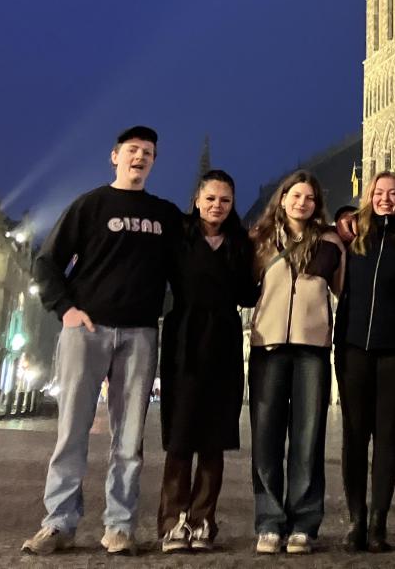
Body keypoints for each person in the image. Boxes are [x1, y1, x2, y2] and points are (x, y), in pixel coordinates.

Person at [22, 126, 181, 556]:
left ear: (153, 161)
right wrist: (66, 310)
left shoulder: (164, 214)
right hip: (87, 330)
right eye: (132, 150)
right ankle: (58, 522)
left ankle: (120, 526)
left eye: (148, 152)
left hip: (141, 334)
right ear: (115, 156)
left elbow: (193, 259)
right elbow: (47, 262)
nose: (140, 157)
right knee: (72, 431)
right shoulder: (90, 205)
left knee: (129, 438)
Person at [157, 170, 257, 553]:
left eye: (225, 200)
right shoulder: (179, 238)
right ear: (197, 200)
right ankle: (172, 522)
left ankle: (202, 520)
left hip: (225, 339)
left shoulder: (239, 243)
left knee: (214, 437)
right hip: (184, 336)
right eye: (211, 198)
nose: (217, 206)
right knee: (181, 435)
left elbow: (248, 295)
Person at [247, 170, 346, 555]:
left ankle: (304, 523)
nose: (301, 202)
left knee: (308, 438)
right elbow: (243, 287)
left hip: (313, 349)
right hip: (267, 347)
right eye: (295, 195)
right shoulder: (260, 241)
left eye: (309, 197)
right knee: (266, 438)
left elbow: (343, 290)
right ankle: (269, 522)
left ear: (316, 204)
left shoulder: (330, 243)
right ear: (283, 198)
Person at [333, 171, 395, 553]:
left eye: (393, 193)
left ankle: (379, 522)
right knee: (354, 434)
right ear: (370, 196)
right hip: (352, 345)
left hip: (394, 348)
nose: (386, 199)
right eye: (379, 192)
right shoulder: (353, 237)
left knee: (386, 436)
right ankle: (356, 520)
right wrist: (341, 215)